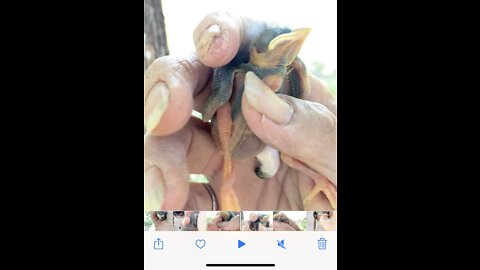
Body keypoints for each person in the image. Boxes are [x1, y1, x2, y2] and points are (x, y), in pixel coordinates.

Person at [144, 12, 337, 211]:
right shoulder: (240, 72)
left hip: (269, 145)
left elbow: (301, 91)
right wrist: (209, 112)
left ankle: (315, 177)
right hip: (238, 138)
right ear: (255, 51)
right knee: (226, 117)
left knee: (282, 155)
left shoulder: (293, 71)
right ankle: (229, 179)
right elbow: (217, 99)